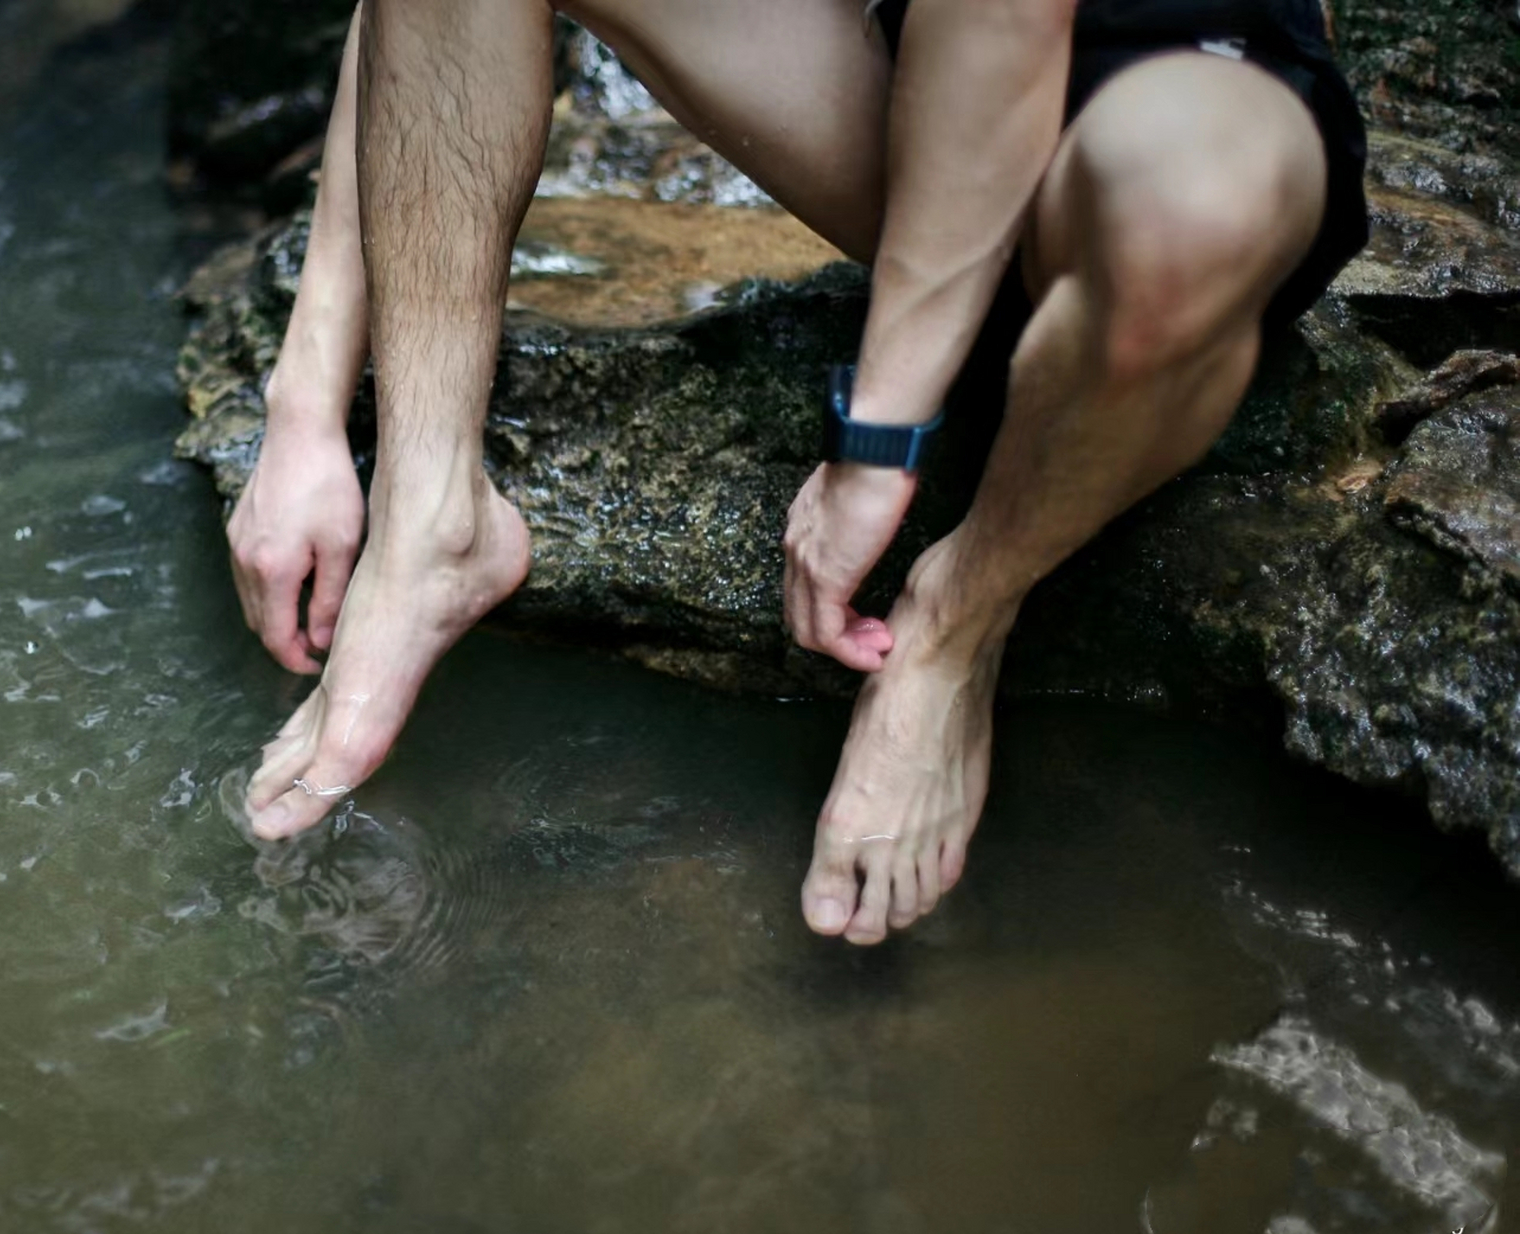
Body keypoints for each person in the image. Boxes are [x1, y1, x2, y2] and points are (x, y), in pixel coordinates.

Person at [226, 0, 1367, 945]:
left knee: (1184, 223)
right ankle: (437, 515)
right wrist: (307, 405)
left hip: (1187, 98)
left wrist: (878, 438)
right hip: (925, 114)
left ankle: (952, 629)